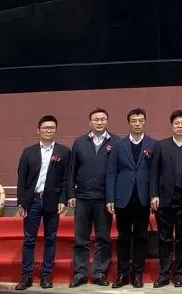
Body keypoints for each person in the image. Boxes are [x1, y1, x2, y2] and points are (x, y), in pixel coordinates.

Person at [15, 115, 71, 290]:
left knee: (50, 239)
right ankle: (26, 276)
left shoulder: (64, 152)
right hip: (32, 201)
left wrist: (63, 200)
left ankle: (46, 276)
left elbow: (66, 179)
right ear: (38, 130)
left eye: (52, 128)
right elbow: (21, 179)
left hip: (53, 202)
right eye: (46, 128)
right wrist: (21, 202)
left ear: (56, 130)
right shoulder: (28, 152)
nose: (49, 131)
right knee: (29, 240)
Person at [107, 108, 156, 289]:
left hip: (143, 198)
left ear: (145, 122)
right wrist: (110, 198)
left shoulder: (153, 144)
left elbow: (155, 173)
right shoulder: (118, 145)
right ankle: (122, 274)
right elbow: (111, 172)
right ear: (129, 122)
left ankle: (137, 274)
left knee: (141, 237)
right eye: (134, 121)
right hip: (123, 198)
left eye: (140, 120)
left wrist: (154, 195)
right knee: (123, 237)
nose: (137, 124)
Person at [67, 108, 115, 287]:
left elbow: (116, 172)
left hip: (104, 199)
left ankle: (99, 273)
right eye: (96, 119)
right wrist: (71, 193)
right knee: (81, 238)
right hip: (83, 198)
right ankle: (80, 273)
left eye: (103, 119)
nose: (99, 122)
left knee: (103, 238)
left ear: (107, 122)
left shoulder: (116, 142)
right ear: (90, 122)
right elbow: (72, 170)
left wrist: (112, 197)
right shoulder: (80, 142)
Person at [151, 110, 182, 288]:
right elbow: (154, 173)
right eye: (177, 123)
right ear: (172, 125)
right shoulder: (161, 146)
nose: (180, 126)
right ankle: (164, 274)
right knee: (164, 238)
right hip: (164, 199)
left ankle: (180, 274)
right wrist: (154, 194)